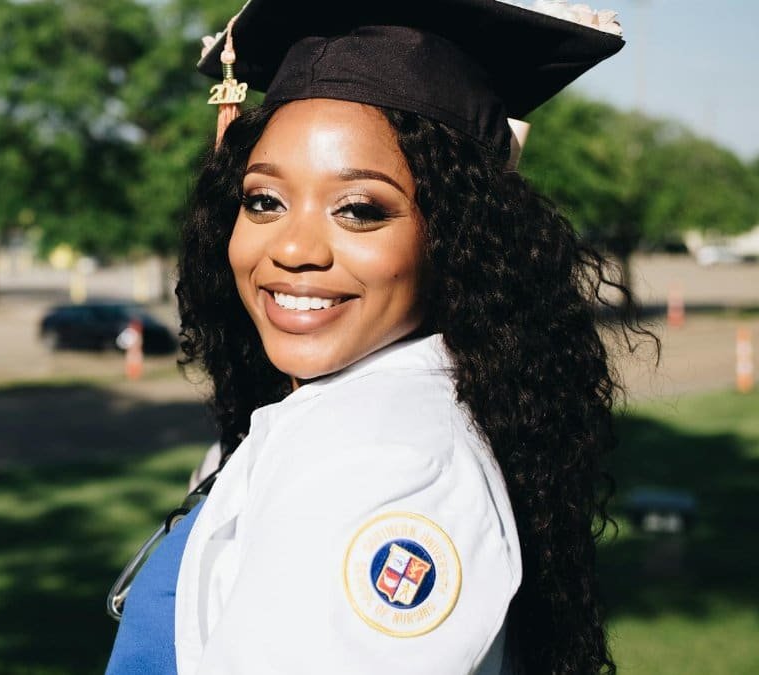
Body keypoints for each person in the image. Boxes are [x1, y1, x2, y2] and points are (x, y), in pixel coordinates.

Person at [107, 1, 649, 673]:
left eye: (359, 209)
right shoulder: (322, 410)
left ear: (457, 241)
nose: (295, 247)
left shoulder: (389, 463)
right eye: (264, 200)